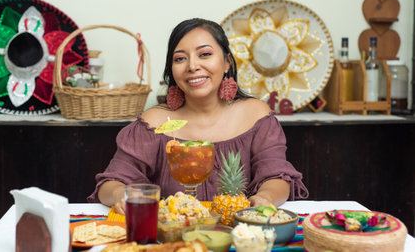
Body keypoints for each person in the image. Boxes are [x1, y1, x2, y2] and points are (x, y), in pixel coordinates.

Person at [88, 18, 308, 214]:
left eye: (205, 54)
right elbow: (110, 183)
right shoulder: (154, 123)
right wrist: (121, 195)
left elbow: (277, 175)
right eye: (180, 59)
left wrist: (265, 197)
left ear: (227, 62)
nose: (193, 66)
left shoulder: (256, 115)